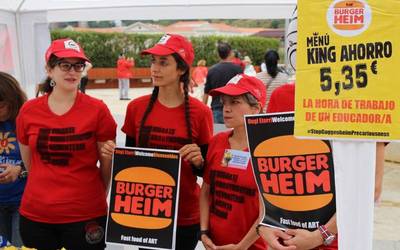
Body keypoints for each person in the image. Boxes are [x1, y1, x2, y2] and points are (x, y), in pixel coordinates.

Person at [101, 33, 214, 250]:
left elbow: (207, 173)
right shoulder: (136, 107)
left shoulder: (200, 113)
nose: (155, 68)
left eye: (163, 62)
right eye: (153, 61)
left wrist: (199, 162)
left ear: (181, 68)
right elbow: (131, 164)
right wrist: (115, 154)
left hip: (185, 215)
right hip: (146, 212)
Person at [16, 38, 117, 250]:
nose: (72, 71)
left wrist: (99, 195)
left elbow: (106, 165)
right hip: (37, 214)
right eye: (65, 65)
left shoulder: (98, 110)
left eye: (78, 65)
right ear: (49, 70)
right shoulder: (28, 111)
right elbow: (30, 163)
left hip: (87, 214)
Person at [200, 74, 267, 250]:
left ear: (256, 109)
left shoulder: (266, 151)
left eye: (235, 102)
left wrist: (241, 247)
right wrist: (204, 232)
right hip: (214, 245)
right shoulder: (217, 141)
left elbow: (267, 212)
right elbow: (206, 191)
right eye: (224, 102)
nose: (226, 109)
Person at [0, 72, 27, 247]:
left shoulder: (27, 121)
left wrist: (20, 170)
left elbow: (42, 159)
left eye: (1, 105)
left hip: (23, 202)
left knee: (20, 247)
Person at [203, 42, 243, 123]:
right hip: (234, 108)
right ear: (231, 53)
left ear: (218, 54)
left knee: (218, 134)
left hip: (216, 108)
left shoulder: (212, 70)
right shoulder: (238, 69)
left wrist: (203, 110)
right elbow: (242, 90)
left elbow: (206, 92)